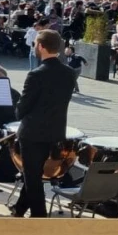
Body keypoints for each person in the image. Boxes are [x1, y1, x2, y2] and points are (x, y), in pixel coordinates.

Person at [13, 30, 73, 218]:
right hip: (55, 132)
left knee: (32, 177)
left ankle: (39, 216)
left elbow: (23, 107)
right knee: (33, 173)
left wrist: (17, 111)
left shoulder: (36, 74)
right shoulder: (70, 73)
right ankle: (19, 209)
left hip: (32, 133)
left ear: (40, 46)